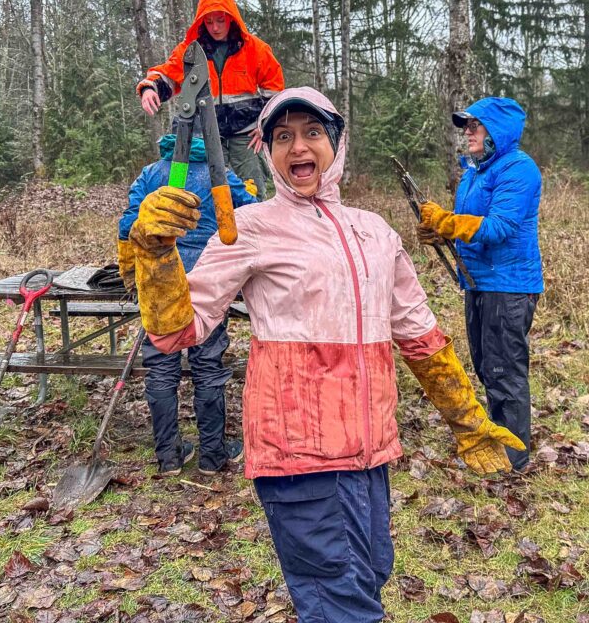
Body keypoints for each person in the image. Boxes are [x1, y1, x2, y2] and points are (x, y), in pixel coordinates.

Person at [126, 87, 524, 622]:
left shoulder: (375, 232)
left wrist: (470, 423)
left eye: (312, 133)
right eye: (283, 136)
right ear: (266, 150)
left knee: (370, 575)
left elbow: (420, 337)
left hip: (370, 453)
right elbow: (177, 331)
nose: (298, 147)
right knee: (341, 602)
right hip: (297, 455)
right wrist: (152, 253)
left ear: (337, 143)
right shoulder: (246, 228)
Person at [117, 117, 257, 476]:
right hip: (209, 278)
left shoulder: (151, 174)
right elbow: (249, 212)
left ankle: (168, 457)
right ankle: (213, 455)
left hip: (159, 279)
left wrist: (131, 273)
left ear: (171, 138)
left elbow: (128, 225)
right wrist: (249, 192)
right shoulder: (219, 172)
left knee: (161, 366)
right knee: (208, 364)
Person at [418, 97, 543, 473]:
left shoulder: (518, 170)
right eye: (465, 127)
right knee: (487, 367)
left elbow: (498, 227)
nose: (467, 133)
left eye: (475, 126)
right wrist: (440, 233)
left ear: (497, 131)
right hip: (479, 283)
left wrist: (449, 223)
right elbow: (470, 225)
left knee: (506, 370)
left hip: (509, 286)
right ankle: (498, 435)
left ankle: (513, 458)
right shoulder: (475, 172)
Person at [136, 0, 284, 199]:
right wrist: (150, 88)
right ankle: (214, 230)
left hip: (247, 134)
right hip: (205, 133)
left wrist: (266, 126)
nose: (215, 27)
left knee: (253, 189)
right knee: (209, 190)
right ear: (201, 22)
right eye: (209, 21)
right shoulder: (191, 50)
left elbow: (275, 91)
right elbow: (167, 75)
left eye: (220, 20)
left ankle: (252, 230)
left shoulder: (255, 49)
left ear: (231, 18)